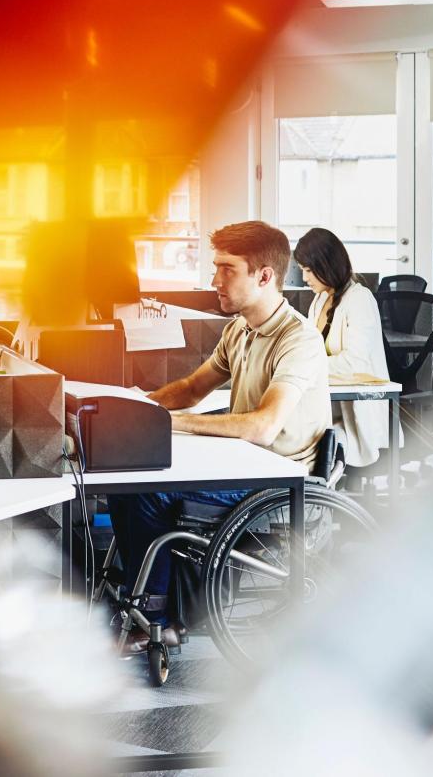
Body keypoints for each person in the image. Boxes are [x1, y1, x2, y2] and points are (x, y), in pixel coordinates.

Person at [107, 220, 330, 650]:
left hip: (279, 483)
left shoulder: (296, 339)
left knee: (151, 492)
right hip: (244, 466)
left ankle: (154, 619)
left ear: (264, 276)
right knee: (125, 483)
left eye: (227, 269)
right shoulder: (241, 329)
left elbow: (263, 426)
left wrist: (172, 423)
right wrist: (137, 410)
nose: (214, 281)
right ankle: (148, 603)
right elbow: (192, 389)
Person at [294, 227, 393, 467]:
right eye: (302, 271)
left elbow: (354, 363)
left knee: (313, 444)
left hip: (355, 411)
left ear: (327, 265)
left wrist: (306, 368)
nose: (304, 278)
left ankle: (316, 496)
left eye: (308, 270)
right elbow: (310, 350)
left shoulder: (359, 299)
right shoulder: (319, 300)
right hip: (328, 402)